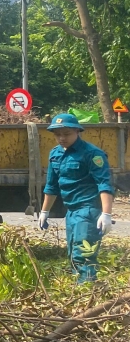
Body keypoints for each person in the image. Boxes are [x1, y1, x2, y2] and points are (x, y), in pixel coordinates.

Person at [38, 113, 114, 283]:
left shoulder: (92, 154)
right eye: (57, 134)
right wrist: (44, 211)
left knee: (83, 255)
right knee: (73, 254)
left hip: (88, 209)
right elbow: (51, 186)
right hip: (71, 211)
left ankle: (87, 292)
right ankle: (79, 293)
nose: (61, 138)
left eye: (66, 134)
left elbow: (104, 184)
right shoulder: (55, 154)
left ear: (77, 131)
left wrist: (106, 214)